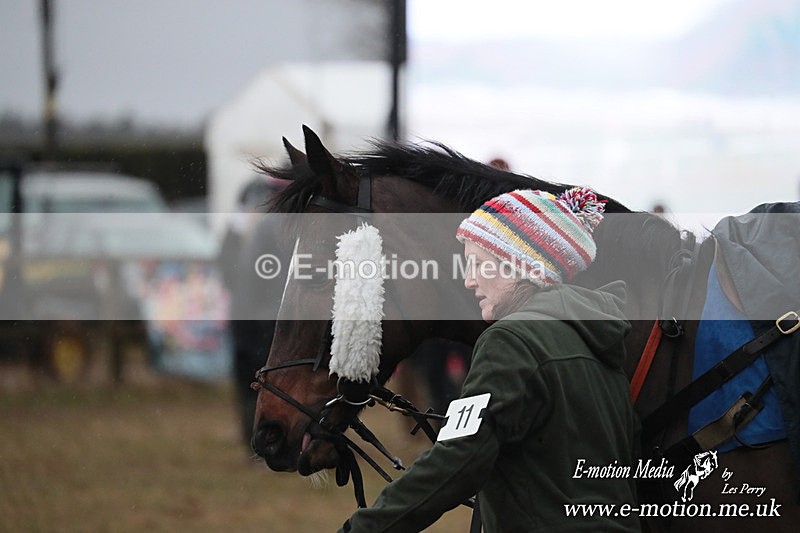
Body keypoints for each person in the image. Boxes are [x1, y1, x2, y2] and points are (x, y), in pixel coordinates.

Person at [339, 188, 640, 532]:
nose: (469, 280)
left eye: (480, 264)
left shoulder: (511, 341)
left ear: (523, 266)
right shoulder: (599, 343)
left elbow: (456, 459)